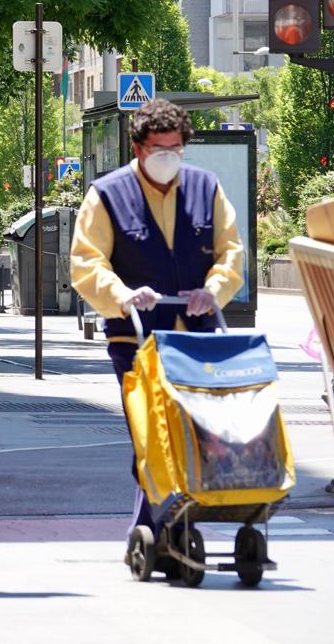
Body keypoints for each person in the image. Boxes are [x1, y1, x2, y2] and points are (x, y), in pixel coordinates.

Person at [69, 99, 244, 547]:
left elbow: (230, 252)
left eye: (176, 148)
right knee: (150, 430)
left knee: (197, 429)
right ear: (139, 147)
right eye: (158, 148)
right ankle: (161, 524)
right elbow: (87, 262)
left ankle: (161, 524)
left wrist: (215, 288)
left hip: (196, 336)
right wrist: (121, 295)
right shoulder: (107, 194)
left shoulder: (207, 188)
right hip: (135, 337)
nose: (168, 156)